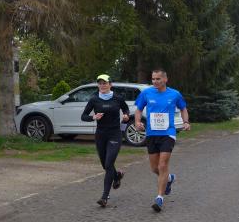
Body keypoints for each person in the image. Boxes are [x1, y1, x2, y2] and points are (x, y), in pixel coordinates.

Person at [134, 69, 190, 212]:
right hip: (151, 134)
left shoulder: (175, 94)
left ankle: (159, 198)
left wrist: (186, 122)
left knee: (162, 165)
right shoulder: (146, 93)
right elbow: (138, 110)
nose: (155, 81)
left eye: (158, 79)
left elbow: (183, 108)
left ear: (165, 79)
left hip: (168, 133)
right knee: (154, 168)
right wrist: (137, 122)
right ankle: (169, 178)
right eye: (153, 79)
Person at [81, 74, 131, 208]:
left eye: (105, 83)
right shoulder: (94, 99)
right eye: (100, 83)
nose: (102, 85)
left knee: (109, 164)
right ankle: (117, 176)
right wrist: (93, 117)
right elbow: (83, 116)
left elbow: (126, 109)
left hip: (115, 134)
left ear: (110, 84)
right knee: (105, 165)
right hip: (100, 135)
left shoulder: (118, 98)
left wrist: (126, 115)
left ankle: (104, 197)